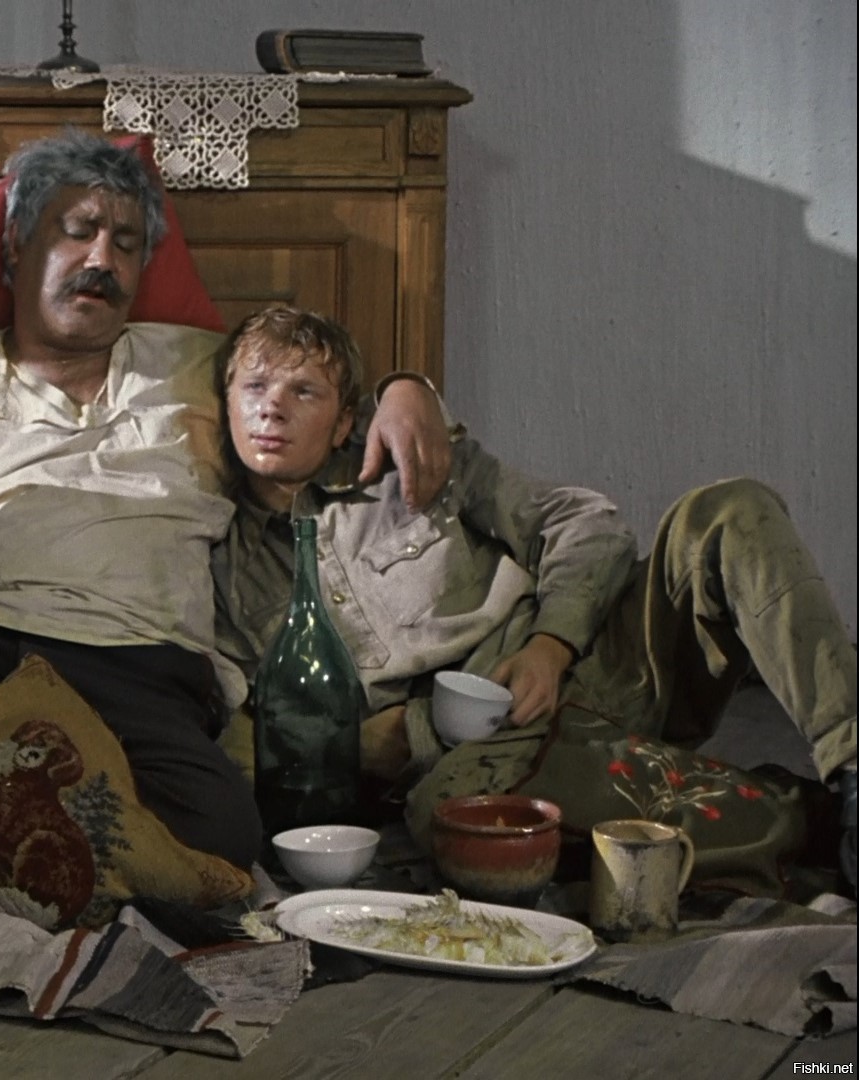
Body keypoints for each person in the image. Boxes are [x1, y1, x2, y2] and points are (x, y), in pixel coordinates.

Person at [0, 131, 453, 872]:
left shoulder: (203, 365)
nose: (103, 258)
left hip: (135, 673)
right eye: (78, 231)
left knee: (220, 836)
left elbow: (310, 391)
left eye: (127, 245)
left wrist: (405, 390)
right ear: (17, 247)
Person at [210, 306, 857, 895]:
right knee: (457, 817)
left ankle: (852, 771)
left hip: (598, 662)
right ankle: (809, 822)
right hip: (480, 758)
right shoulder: (218, 560)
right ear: (226, 404)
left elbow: (589, 524)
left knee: (726, 512)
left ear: (345, 421)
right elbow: (255, 728)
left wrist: (551, 645)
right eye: (255, 388)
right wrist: (386, 740)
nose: (272, 409)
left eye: (304, 391)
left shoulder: (412, 462)